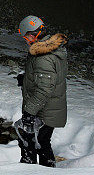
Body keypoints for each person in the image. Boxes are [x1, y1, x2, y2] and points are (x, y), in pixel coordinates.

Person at [15, 15, 68, 167]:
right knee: (42, 142)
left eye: (25, 36)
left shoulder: (42, 57)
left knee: (28, 140)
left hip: (44, 110)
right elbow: (50, 76)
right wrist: (28, 79)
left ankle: (29, 173)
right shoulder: (50, 49)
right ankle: (46, 173)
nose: (25, 40)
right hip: (50, 107)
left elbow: (44, 88)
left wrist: (29, 112)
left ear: (32, 35)